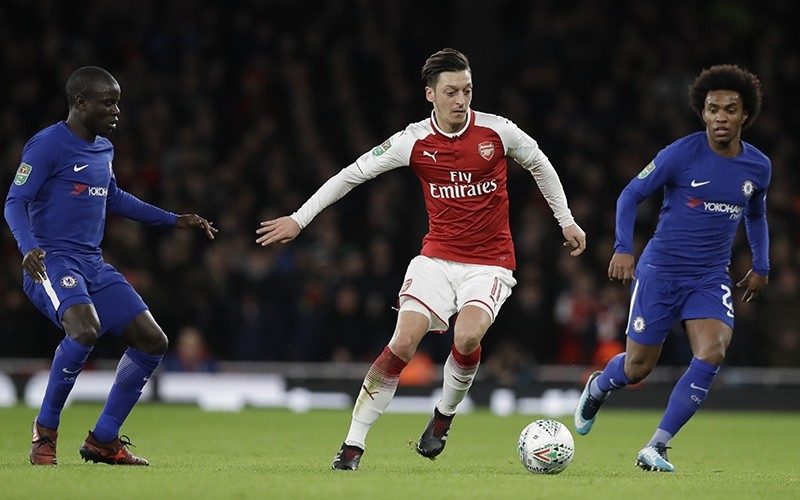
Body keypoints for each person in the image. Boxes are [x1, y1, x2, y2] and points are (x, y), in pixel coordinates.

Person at [256, 48, 586, 470]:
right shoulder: (413, 140)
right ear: (430, 94)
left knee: (467, 338)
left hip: (490, 262)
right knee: (403, 341)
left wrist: (567, 221)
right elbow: (353, 173)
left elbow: (541, 165)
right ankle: (353, 446)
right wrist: (300, 219)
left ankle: (443, 417)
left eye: (467, 90)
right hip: (436, 258)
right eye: (451, 92)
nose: (461, 100)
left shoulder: (497, 132)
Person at [4, 66, 217, 466]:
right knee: (85, 330)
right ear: (81, 103)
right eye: (109, 102)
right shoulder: (46, 145)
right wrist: (28, 247)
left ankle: (103, 440)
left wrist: (175, 219)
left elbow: (113, 197)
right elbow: (14, 202)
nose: (117, 110)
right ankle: (45, 433)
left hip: (92, 264)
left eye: (117, 101)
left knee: (153, 341)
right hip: (50, 261)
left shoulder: (104, 147)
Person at [574, 64, 770, 472]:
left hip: (710, 275)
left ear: (744, 115)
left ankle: (657, 446)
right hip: (660, 272)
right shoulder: (680, 154)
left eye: (730, 110)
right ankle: (599, 386)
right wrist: (624, 248)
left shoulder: (758, 167)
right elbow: (630, 195)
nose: (720, 117)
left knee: (713, 351)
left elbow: (755, 214)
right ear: (702, 113)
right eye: (713, 109)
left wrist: (762, 264)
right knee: (636, 367)